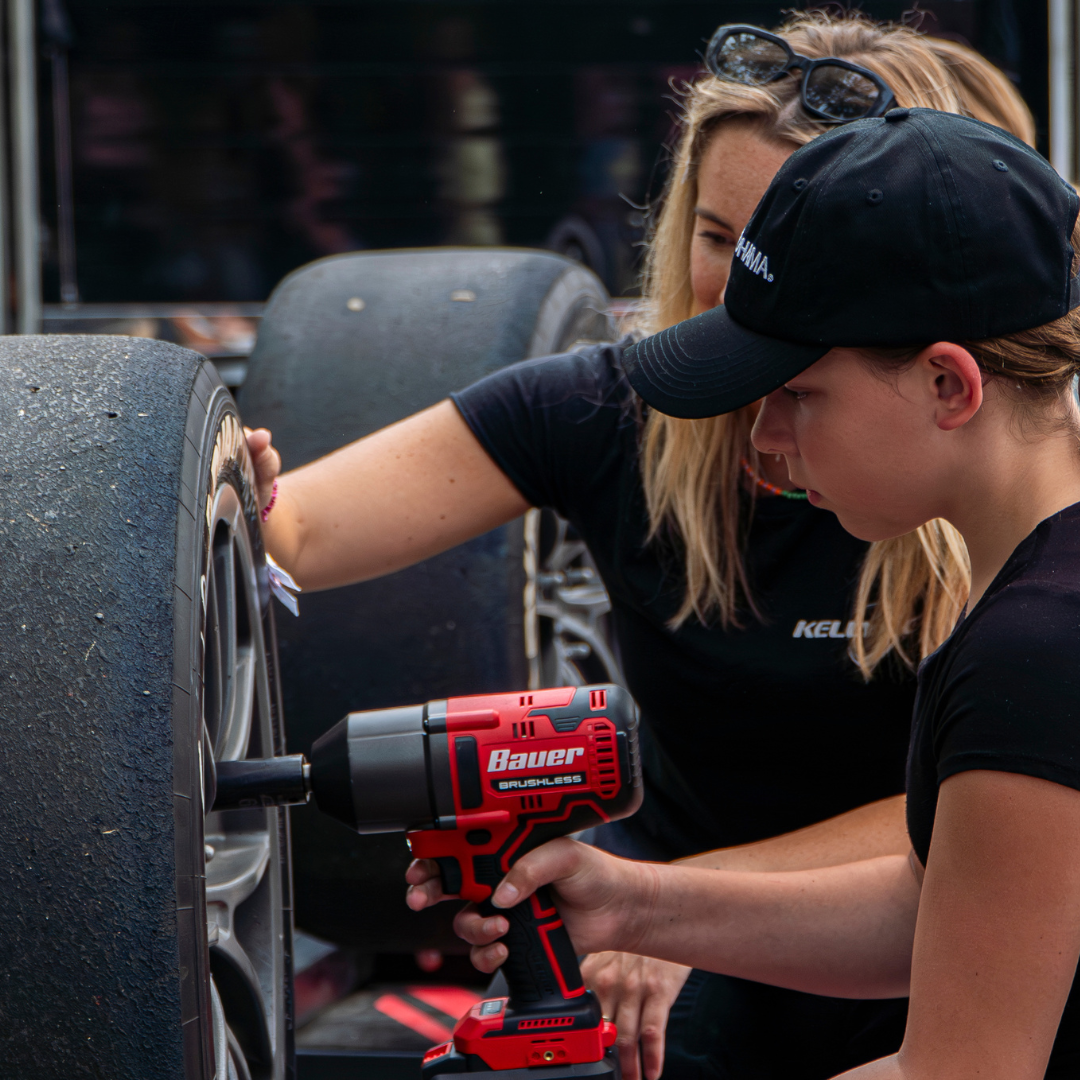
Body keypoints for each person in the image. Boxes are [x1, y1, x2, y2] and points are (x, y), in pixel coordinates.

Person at [245, 13, 1033, 1079]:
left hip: (942, 929)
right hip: (692, 927)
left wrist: (675, 913)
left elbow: (977, 839)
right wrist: (212, 484)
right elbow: (295, 528)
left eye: (784, 248)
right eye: (719, 239)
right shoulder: (618, 413)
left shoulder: (1026, 564)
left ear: (944, 369)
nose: (742, 290)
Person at [410, 106, 1080, 1080]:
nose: (763, 437)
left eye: (797, 393)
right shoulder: (1038, 589)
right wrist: (632, 902)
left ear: (949, 386)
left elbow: (959, 1070)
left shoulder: (1039, 648)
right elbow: (941, 910)